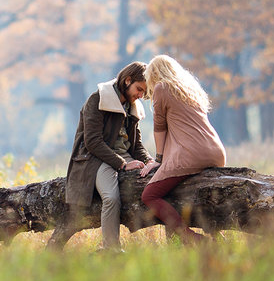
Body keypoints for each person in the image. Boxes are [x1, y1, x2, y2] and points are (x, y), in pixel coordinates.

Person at [48, 61, 152, 252]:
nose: (140, 96)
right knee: (111, 197)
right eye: (139, 89)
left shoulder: (132, 106)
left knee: (158, 182)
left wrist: (150, 161)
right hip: (97, 158)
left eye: (143, 92)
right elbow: (93, 142)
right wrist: (122, 164)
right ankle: (110, 249)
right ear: (127, 81)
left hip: (123, 156)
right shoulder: (97, 100)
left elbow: (136, 145)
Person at [139, 54, 226, 243]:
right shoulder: (189, 89)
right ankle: (217, 238)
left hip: (192, 153)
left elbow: (159, 127)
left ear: (154, 75)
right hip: (215, 150)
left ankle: (192, 239)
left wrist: (158, 159)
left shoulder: (162, 88)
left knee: (150, 195)